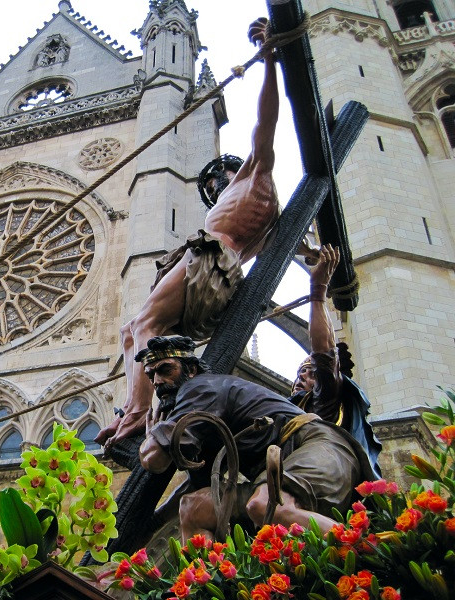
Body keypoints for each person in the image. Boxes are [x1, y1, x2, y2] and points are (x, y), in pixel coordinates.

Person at [97, 18, 316, 447]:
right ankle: (148, 407)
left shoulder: (255, 176)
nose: (214, 185)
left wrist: (270, 59)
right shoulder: (254, 209)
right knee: (132, 332)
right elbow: (294, 246)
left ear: (236, 167)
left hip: (213, 261)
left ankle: (139, 413)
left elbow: (266, 121)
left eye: (218, 176)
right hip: (214, 278)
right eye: (209, 183)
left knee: (145, 322)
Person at [136, 336, 376, 541]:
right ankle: (206, 583)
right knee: (193, 507)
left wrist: (151, 436)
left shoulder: (200, 388)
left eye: (165, 370)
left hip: (318, 446)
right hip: (278, 470)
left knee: (264, 505)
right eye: (151, 375)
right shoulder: (203, 426)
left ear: (190, 370)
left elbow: (154, 460)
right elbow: (199, 485)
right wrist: (145, 530)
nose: (157, 381)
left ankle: (368, 553)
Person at [290, 243, 383, 476]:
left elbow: (325, 354)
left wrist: (318, 291)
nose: (302, 376)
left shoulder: (323, 404)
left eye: (312, 373)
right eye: (300, 372)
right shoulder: (284, 410)